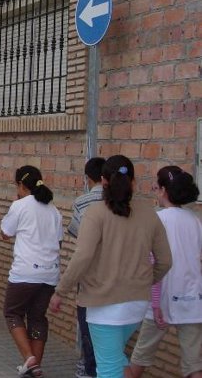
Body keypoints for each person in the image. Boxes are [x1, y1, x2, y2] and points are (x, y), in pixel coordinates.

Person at [49, 155, 172, 378]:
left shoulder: (95, 213)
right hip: (137, 304)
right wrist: (143, 281)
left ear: (103, 181)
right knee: (116, 359)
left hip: (103, 305)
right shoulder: (149, 213)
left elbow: (83, 256)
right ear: (133, 182)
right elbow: (165, 261)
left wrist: (60, 291)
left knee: (107, 368)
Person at [129, 167, 202, 378]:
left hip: (160, 301)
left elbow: (153, 263)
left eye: (155, 187)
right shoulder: (195, 221)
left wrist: (154, 303)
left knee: (139, 360)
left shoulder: (157, 220)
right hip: (193, 300)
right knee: (194, 366)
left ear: (163, 190)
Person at [1, 166, 62, 378]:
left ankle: (30, 359)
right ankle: (35, 368)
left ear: (20, 185)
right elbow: (59, 242)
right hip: (50, 273)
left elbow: (5, 233)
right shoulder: (53, 210)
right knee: (37, 318)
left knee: (12, 312)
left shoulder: (20, 206)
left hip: (25, 272)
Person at [67, 157, 106, 378]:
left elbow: (76, 235)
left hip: (90, 272)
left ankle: (89, 367)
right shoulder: (121, 201)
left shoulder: (82, 202)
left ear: (88, 178)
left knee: (87, 321)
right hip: (118, 272)